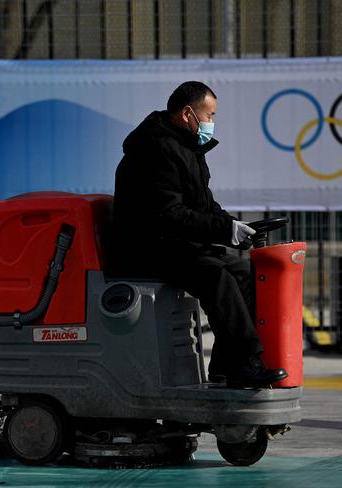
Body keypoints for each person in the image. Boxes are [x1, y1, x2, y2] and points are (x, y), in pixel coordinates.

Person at [111, 81, 288, 388]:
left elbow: (203, 204)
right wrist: (224, 230)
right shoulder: (156, 148)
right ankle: (246, 362)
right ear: (188, 113)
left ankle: (225, 367)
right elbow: (169, 215)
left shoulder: (185, 146)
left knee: (246, 271)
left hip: (172, 244)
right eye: (209, 115)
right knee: (216, 276)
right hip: (146, 248)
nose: (211, 123)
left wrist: (232, 227)